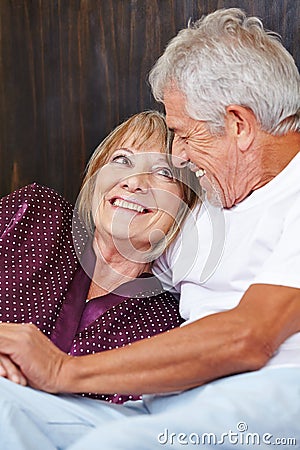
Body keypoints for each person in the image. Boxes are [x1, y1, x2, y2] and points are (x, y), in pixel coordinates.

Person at [0, 7, 299, 450]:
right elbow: (123, 232)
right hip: (168, 401)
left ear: (239, 125)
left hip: (267, 392)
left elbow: (248, 337)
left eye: (182, 132)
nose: (178, 156)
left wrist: (62, 369)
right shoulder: (208, 201)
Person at [0, 110, 198, 404]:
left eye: (164, 173)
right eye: (122, 160)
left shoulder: (166, 325)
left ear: (185, 206)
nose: (133, 182)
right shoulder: (35, 214)